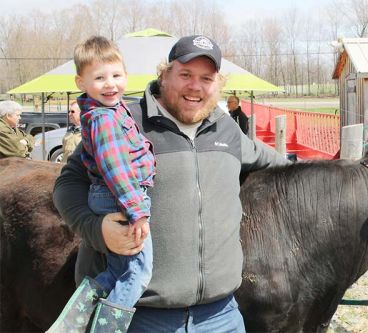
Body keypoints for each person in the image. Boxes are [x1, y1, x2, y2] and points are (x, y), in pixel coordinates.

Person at [53, 34, 290, 333]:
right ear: (164, 74)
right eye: (186, 74)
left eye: (206, 77)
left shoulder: (227, 129)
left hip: (221, 317)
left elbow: (278, 163)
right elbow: (67, 185)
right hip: (139, 318)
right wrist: (96, 229)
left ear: (218, 84)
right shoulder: (123, 120)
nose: (195, 86)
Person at [48, 36, 156, 333]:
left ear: (126, 75)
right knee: (138, 273)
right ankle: (106, 329)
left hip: (110, 198)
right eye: (99, 78)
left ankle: (74, 319)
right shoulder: (104, 119)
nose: (110, 84)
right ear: (81, 82)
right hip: (117, 199)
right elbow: (116, 169)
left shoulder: (114, 111)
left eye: (116, 76)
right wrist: (137, 211)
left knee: (116, 271)